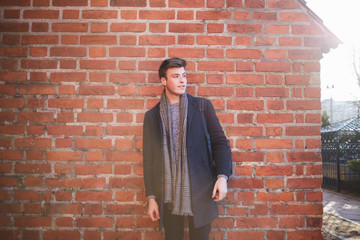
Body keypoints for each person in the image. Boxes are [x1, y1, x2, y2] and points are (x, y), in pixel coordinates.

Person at [142, 57, 232, 240]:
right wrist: (151, 197)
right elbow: (149, 160)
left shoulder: (202, 107)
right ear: (163, 81)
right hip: (167, 195)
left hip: (201, 190)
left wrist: (223, 177)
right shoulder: (152, 116)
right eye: (176, 76)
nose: (182, 80)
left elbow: (220, 143)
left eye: (184, 75)